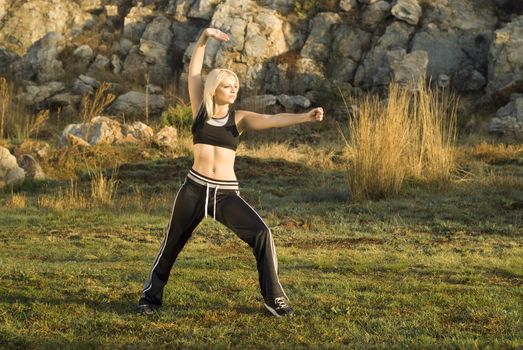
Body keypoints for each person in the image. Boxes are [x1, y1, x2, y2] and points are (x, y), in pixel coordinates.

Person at [137, 28, 324, 317]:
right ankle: (150, 298)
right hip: (194, 190)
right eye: (227, 85)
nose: (233, 89)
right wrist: (202, 38)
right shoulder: (199, 110)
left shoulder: (239, 119)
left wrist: (305, 116)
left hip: (224, 194)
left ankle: (274, 300)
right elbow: (194, 72)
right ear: (214, 89)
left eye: (235, 85)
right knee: (172, 244)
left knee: (262, 233)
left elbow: (273, 119)